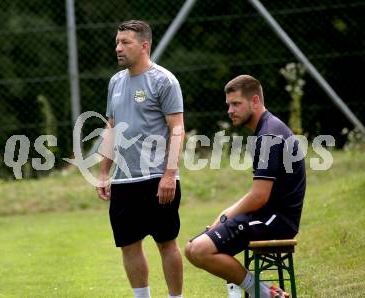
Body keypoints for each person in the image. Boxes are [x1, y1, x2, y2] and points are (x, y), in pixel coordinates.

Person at [184, 75, 306, 298]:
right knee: (192, 248)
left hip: (277, 221)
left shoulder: (269, 134)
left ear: (255, 101)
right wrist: (225, 218)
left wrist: (225, 215)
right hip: (264, 214)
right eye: (228, 104)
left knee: (201, 249)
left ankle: (264, 294)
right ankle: (259, 292)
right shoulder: (265, 130)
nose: (230, 110)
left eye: (236, 104)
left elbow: (259, 196)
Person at [96, 20, 185, 298]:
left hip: (158, 179)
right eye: (117, 42)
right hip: (124, 181)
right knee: (129, 245)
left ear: (144, 45)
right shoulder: (115, 82)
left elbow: (177, 129)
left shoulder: (164, 80)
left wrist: (169, 174)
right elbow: (111, 129)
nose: (118, 48)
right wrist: (103, 173)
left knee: (166, 243)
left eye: (125, 43)